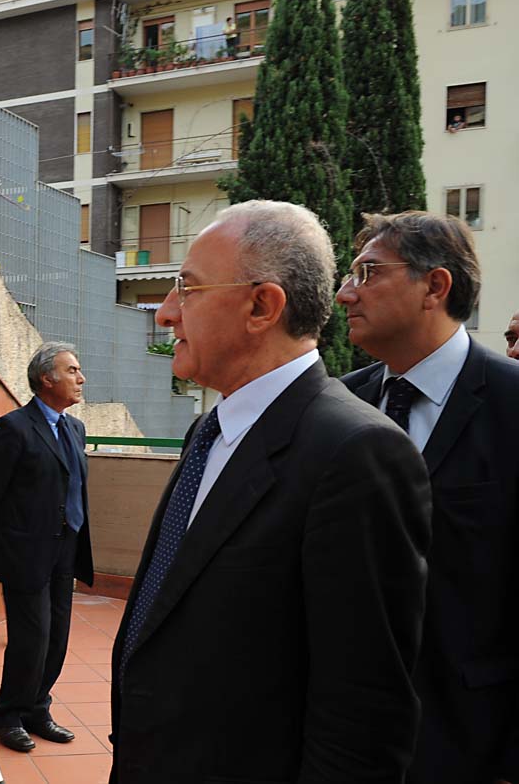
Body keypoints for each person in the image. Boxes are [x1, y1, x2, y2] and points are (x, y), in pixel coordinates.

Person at [109, 200, 431, 783]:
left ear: (262, 306)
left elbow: (362, 715)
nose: (167, 314)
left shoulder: (357, 452)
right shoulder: (209, 430)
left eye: (187, 289)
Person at [338, 211, 519, 784]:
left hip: (470, 740)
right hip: (341, 736)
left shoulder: (512, 405)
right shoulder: (338, 406)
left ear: (435, 286)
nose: (345, 294)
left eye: (368, 273)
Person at [0, 342, 94, 753]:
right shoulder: (14, 427)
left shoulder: (75, 428)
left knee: (57, 637)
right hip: (26, 553)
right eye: (72, 371)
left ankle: (37, 709)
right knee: (32, 639)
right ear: (46, 378)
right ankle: (8, 716)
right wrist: (18, 538)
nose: (80, 378)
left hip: (67, 548)